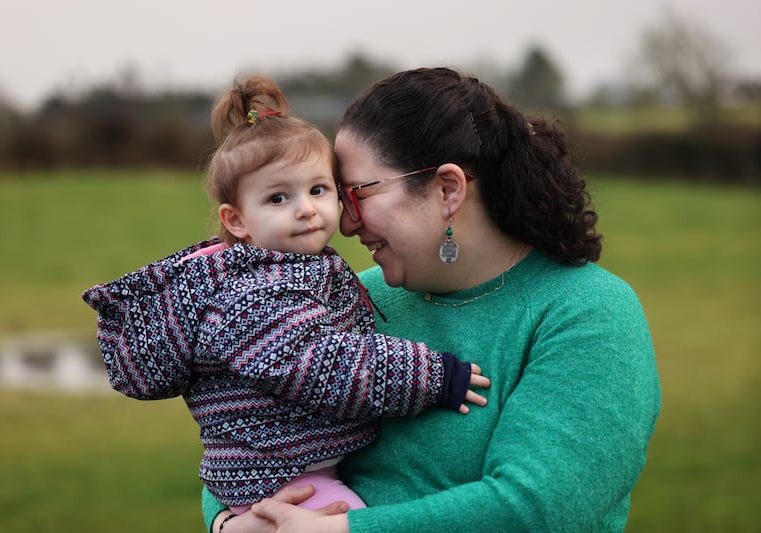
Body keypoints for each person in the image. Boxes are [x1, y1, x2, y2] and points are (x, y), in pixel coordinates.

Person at [202, 67, 661, 532]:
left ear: (447, 189)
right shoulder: (349, 297)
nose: (345, 224)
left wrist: (344, 531)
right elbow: (245, 433)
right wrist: (229, 524)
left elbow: (538, 509)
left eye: (355, 195)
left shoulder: (588, 312)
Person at [82, 74, 490, 518]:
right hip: (286, 475)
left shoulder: (296, 272)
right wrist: (430, 377)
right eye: (278, 198)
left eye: (318, 189)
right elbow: (324, 364)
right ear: (236, 220)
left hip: (289, 466)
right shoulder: (256, 293)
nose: (305, 208)